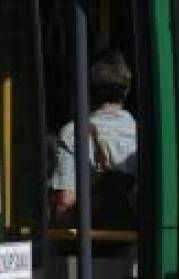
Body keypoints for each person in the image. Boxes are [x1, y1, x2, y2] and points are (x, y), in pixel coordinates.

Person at [50, 50, 138, 222]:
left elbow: (66, 201)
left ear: (88, 91)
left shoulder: (73, 132)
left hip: (93, 240)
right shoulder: (143, 133)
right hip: (134, 243)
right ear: (126, 92)